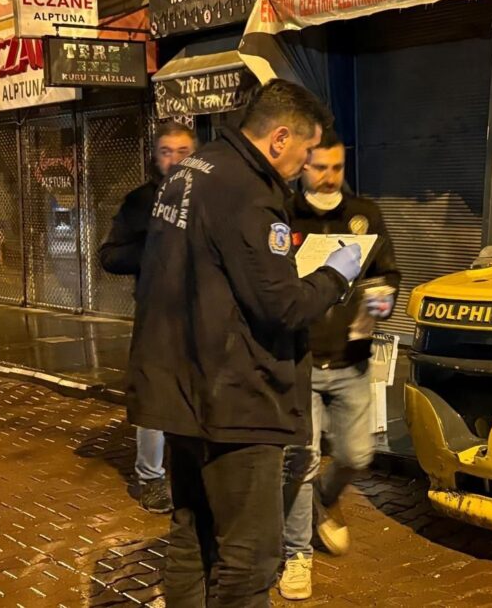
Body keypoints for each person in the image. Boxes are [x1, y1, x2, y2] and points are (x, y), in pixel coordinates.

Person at [126, 79, 363, 606]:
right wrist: (335, 274)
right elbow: (282, 306)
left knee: (192, 533)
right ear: (279, 138)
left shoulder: (190, 172)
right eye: (305, 152)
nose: (305, 166)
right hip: (234, 397)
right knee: (251, 557)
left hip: (180, 390)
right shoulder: (250, 193)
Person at [279, 130, 400, 600]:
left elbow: (387, 271)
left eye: (337, 167)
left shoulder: (364, 214)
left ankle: (326, 502)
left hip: (352, 360)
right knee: (300, 463)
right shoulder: (283, 215)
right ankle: (297, 555)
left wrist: (381, 301)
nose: (330, 178)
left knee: (357, 456)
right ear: (301, 167)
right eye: (319, 167)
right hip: (301, 362)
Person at [100, 121, 197, 514]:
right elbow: (110, 255)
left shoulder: (210, 196)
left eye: (184, 152)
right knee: (155, 400)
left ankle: (193, 472)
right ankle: (150, 479)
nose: (174, 160)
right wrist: (152, 242)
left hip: (203, 316)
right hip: (157, 318)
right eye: (166, 152)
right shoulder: (139, 202)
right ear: (154, 156)